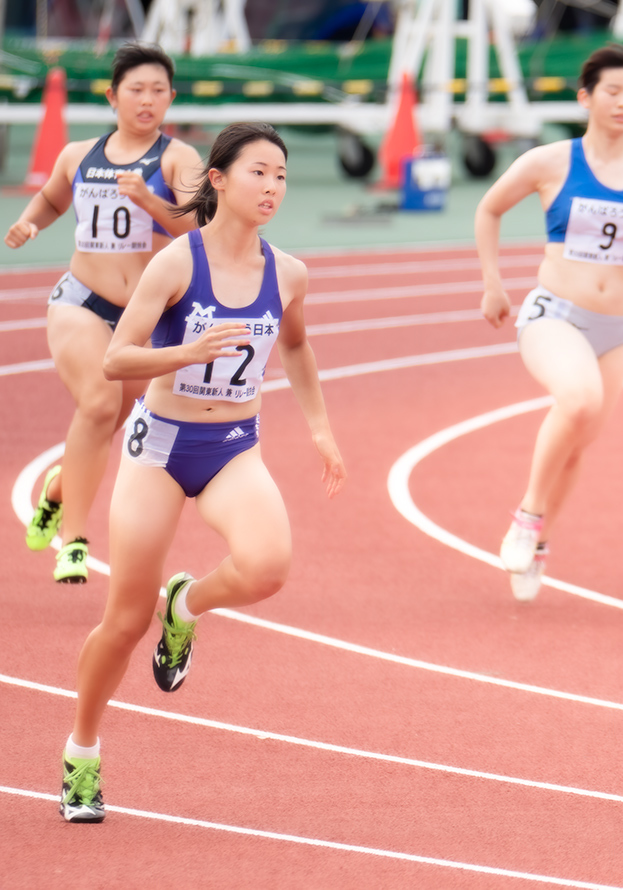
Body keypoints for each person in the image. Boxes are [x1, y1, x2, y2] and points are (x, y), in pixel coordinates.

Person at [57, 123, 347, 823]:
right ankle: (82, 753)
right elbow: (117, 360)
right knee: (124, 621)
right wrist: (184, 354)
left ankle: (185, 605)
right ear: (217, 179)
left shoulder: (289, 273)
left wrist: (319, 427)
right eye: (258, 172)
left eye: (281, 174)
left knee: (268, 567)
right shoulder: (177, 265)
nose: (273, 187)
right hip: (159, 449)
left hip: (233, 448)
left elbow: (299, 349)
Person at [476, 44, 623, 602]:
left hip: (616, 330)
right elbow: (489, 208)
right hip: (555, 314)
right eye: (613, 92)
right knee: (576, 402)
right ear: (586, 98)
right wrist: (493, 282)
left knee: (578, 442)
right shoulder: (551, 161)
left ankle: (541, 544)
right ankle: (526, 518)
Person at [6, 43, 203, 583]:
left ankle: (54, 490)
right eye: (136, 90)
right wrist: (29, 222)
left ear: (171, 97)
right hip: (81, 303)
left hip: (142, 320)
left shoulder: (176, 158)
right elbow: (51, 198)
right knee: (96, 405)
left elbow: (198, 230)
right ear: (113, 95)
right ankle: (74, 542)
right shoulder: (78, 155)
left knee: (108, 426)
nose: (147, 100)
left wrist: (148, 200)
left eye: (158, 91)